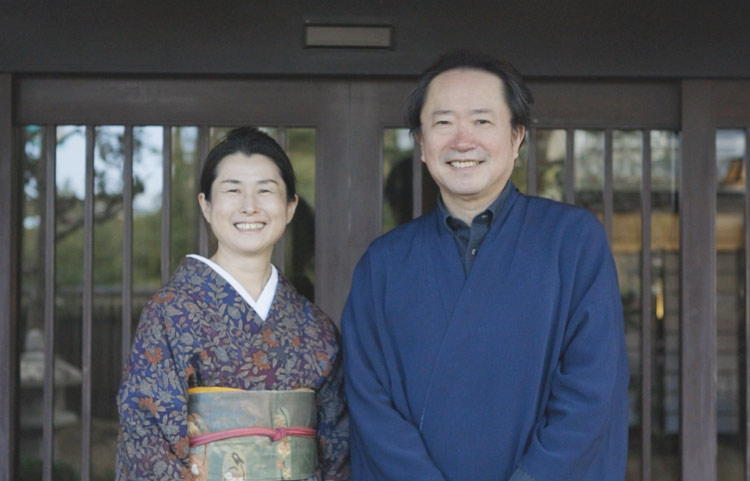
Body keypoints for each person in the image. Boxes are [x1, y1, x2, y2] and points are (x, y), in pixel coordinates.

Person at [341, 51, 629, 481]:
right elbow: (368, 402)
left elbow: (593, 389)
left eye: (481, 121)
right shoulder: (382, 264)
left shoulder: (571, 241)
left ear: (516, 137)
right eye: (442, 123)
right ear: (421, 144)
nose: (462, 140)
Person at [116, 127, 349, 481]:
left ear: (290, 207)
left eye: (266, 190)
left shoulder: (315, 327)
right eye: (233, 190)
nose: (250, 206)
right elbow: (146, 437)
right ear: (206, 205)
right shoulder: (171, 313)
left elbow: (338, 449)